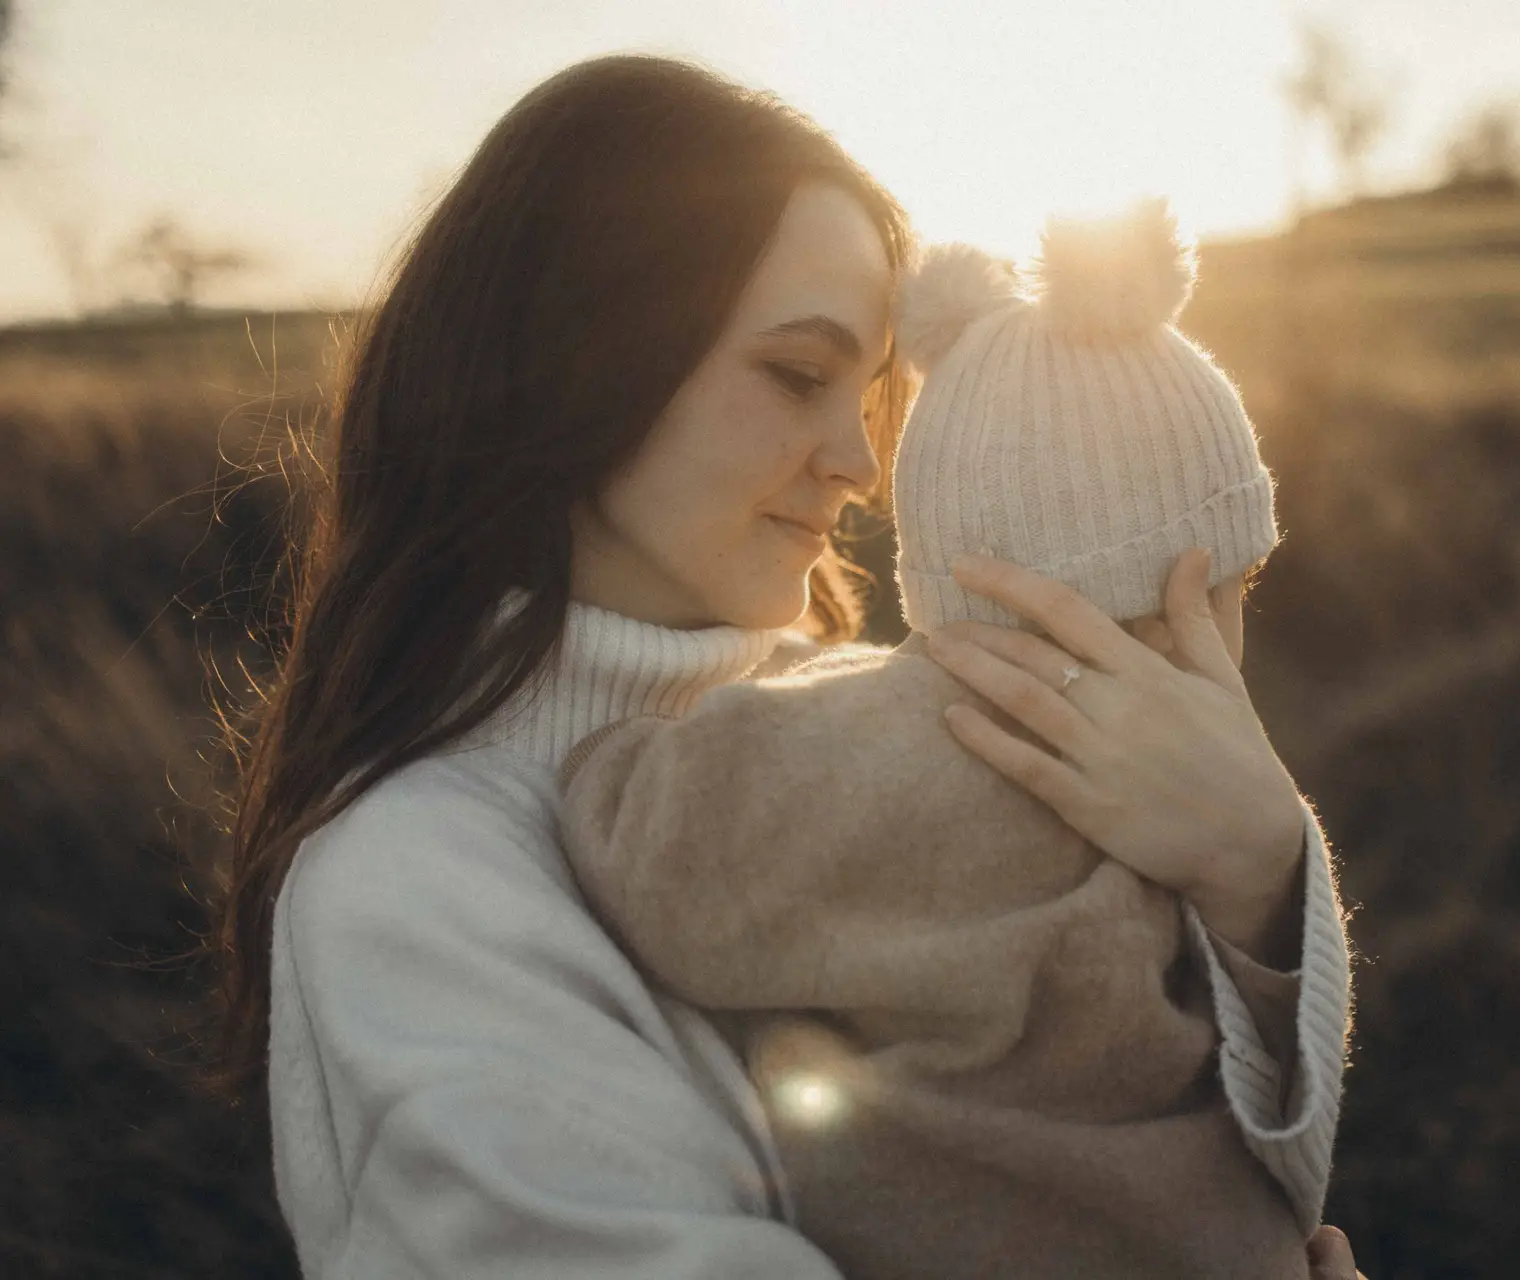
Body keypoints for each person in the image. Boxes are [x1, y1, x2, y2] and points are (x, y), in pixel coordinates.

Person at [207, 54, 1366, 1278]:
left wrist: (1257, 872)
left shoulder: (865, 715)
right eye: (798, 375)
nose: (858, 463)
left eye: (868, 393)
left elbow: (1194, 1158)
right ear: (574, 355)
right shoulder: (411, 877)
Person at [556, 201, 1346, 1280]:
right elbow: (1278, 1095)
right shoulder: (1178, 795)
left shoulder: (845, 746)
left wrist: (613, 762)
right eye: (1235, 584)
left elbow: (649, 851)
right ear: (1166, 610)